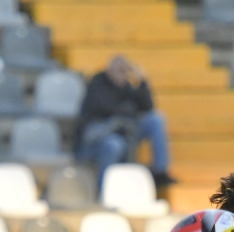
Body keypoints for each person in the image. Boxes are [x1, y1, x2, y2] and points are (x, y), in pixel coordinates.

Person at [75, 56, 175, 189]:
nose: (123, 75)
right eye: (120, 71)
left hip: (125, 131)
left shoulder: (128, 87)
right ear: (109, 70)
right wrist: (127, 113)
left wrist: (142, 81)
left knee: (156, 119)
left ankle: (160, 170)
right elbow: (103, 108)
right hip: (98, 137)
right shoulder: (97, 83)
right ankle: (104, 189)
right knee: (114, 144)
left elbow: (147, 106)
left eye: (126, 71)